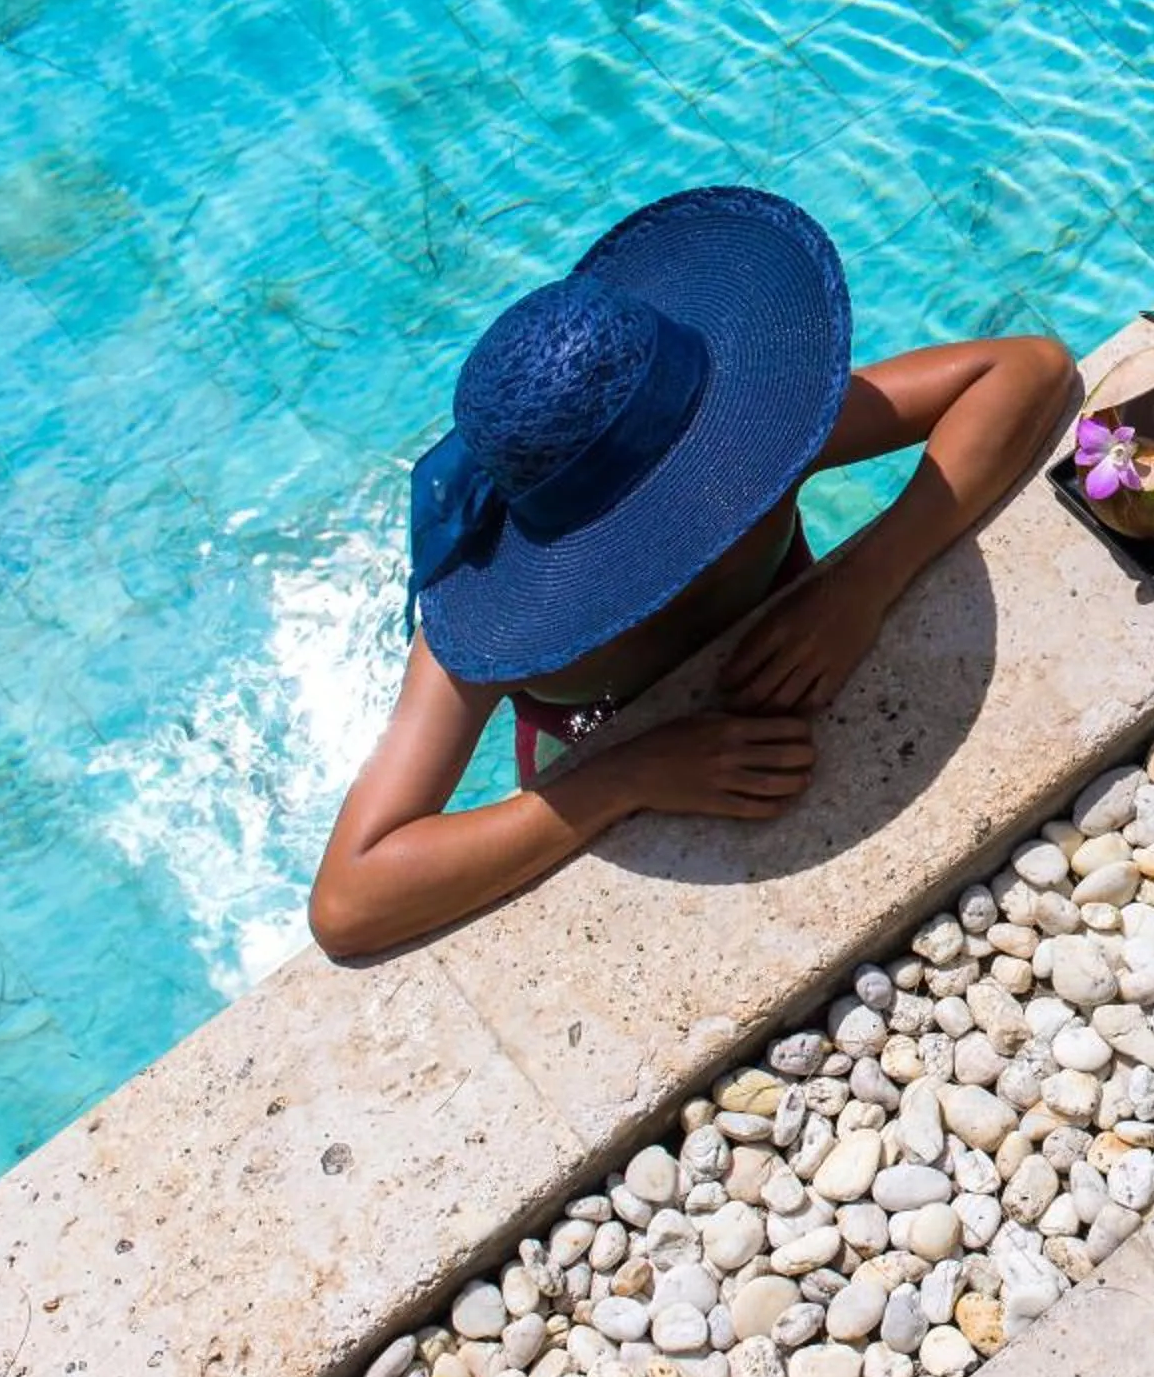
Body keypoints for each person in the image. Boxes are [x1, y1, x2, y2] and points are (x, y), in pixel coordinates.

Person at [308, 187, 1074, 958]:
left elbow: (1025, 371)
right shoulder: (498, 626)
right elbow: (349, 898)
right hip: (594, 752)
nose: (689, 527)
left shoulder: (750, 451)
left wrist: (868, 581)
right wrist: (625, 778)